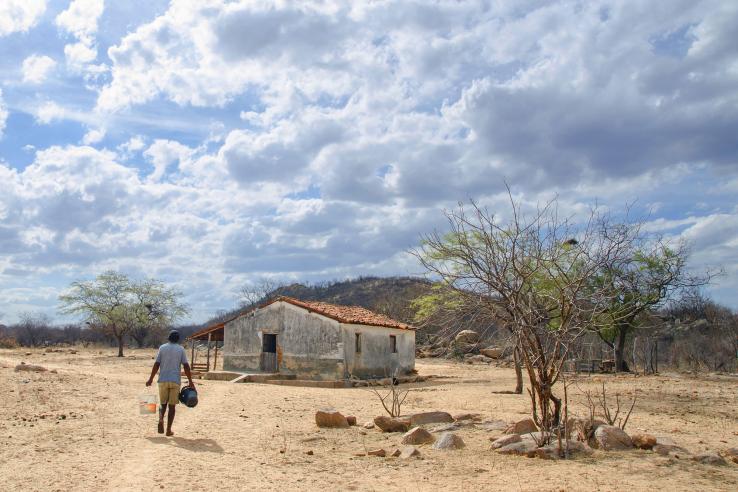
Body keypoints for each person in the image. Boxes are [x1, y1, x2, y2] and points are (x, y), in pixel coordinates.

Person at [146, 330, 194, 436]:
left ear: (169, 338)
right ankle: (168, 430)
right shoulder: (181, 349)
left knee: (163, 404)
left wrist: (150, 379)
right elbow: (186, 366)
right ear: (177, 339)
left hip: (162, 380)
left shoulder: (162, 348)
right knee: (172, 406)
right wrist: (190, 381)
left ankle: (160, 420)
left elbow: (157, 364)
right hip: (175, 381)